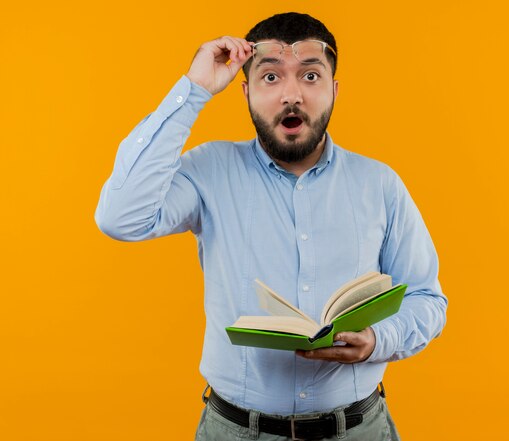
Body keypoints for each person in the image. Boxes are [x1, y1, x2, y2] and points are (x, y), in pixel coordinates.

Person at [95, 12, 447, 441]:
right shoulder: (209, 169)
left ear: (334, 90)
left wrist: (378, 339)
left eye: (311, 76)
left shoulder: (380, 184)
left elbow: (426, 298)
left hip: (358, 429)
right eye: (271, 78)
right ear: (245, 91)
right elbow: (121, 216)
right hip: (235, 431)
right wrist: (193, 90)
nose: (291, 95)